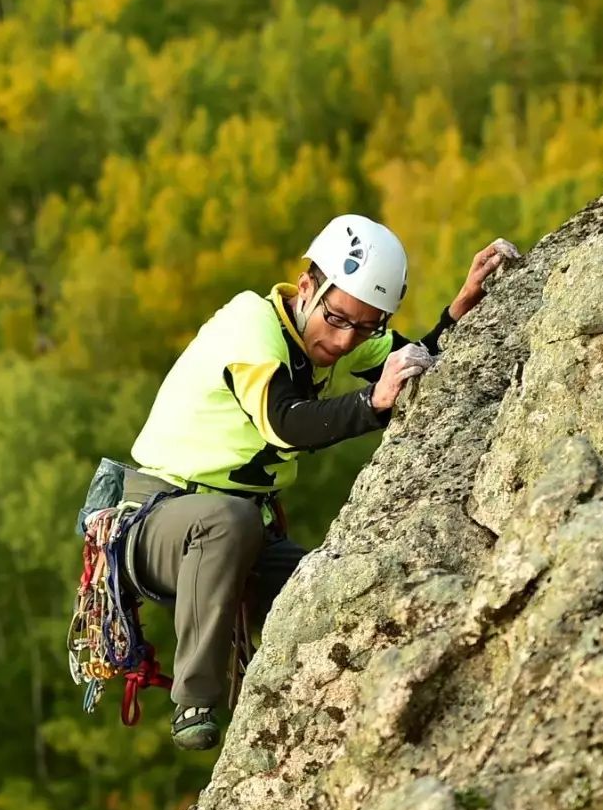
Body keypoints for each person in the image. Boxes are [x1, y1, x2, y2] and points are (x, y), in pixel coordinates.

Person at [122, 214, 519, 750]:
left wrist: (460, 308)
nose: (344, 339)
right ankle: (195, 696)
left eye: (365, 327)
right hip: (158, 519)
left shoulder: (342, 331)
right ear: (306, 287)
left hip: (241, 536)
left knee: (328, 588)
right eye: (337, 319)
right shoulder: (250, 328)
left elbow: (413, 360)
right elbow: (286, 422)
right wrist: (371, 403)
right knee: (228, 520)